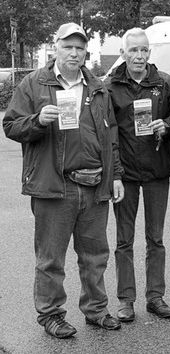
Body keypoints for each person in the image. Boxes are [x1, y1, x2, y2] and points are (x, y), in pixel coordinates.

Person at [2, 22, 125, 338]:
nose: (74, 52)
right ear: (55, 48)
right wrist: (37, 121)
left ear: (86, 52)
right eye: (68, 46)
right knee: (51, 260)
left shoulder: (97, 87)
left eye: (80, 47)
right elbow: (11, 126)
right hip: (55, 186)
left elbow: (110, 136)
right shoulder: (34, 84)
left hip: (95, 185)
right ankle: (52, 315)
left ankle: (96, 310)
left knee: (95, 256)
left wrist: (115, 177)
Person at [105, 27, 170, 322]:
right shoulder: (110, 87)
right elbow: (106, 133)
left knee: (156, 239)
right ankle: (126, 299)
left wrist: (169, 125)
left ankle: (155, 297)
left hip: (157, 172)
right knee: (124, 240)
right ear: (123, 53)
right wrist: (115, 174)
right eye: (133, 50)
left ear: (150, 52)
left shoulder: (166, 83)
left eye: (144, 49)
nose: (139, 55)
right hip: (125, 176)